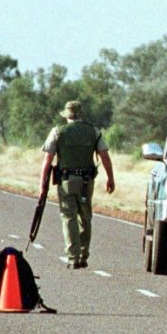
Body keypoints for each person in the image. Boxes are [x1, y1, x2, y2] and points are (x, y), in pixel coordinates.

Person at [40, 100, 115, 269]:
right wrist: (111, 179)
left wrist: (42, 184)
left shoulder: (58, 132)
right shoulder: (93, 131)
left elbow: (48, 159)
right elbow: (105, 156)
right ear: (80, 114)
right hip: (86, 182)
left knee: (68, 217)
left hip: (66, 181)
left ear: (67, 115)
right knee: (85, 216)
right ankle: (83, 255)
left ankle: (73, 257)